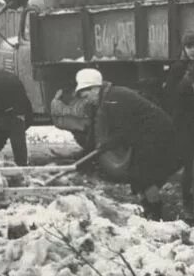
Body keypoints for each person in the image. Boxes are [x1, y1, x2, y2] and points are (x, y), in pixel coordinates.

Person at [75, 68, 180, 220]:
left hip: (158, 136)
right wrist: (82, 156)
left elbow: (126, 131)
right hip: (142, 136)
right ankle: (148, 209)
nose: (87, 100)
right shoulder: (103, 100)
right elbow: (95, 131)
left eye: (86, 95)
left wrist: (107, 144)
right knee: (137, 177)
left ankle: (156, 214)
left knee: (145, 177)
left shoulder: (116, 97)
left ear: (95, 88)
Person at [164, 31, 194, 221]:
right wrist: (183, 85)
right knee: (190, 165)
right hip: (186, 124)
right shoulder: (178, 68)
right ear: (184, 48)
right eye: (189, 47)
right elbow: (168, 96)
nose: (193, 50)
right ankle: (188, 205)